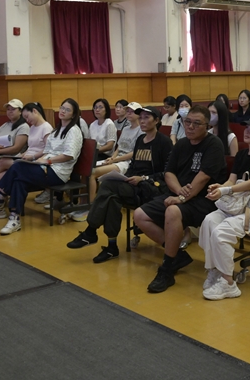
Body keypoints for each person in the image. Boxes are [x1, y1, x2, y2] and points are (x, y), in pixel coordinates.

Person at [133, 105, 229, 293]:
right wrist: (178, 192)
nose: (190, 126)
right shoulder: (182, 144)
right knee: (140, 215)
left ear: (207, 126)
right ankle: (177, 255)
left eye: (197, 123)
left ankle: (167, 268)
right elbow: (169, 173)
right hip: (180, 194)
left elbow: (203, 178)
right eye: (187, 122)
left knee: (172, 211)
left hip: (204, 199)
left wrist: (181, 198)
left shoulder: (214, 144)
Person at [67, 106, 173, 263]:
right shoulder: (140, 140)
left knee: (108, 186)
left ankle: (90, 231)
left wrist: (143, 178)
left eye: (146, 118)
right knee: (112, 198)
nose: (142, 121)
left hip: (152, 188)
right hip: (135, 186)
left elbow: (167, 172)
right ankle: (112, 247)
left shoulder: (164, 142)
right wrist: (126, 177)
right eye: (141, 118)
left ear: (157, 120)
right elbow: (133, 165)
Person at [199, 116, 250, 300]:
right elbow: (231, 181)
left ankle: (228, 283)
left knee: (221, 233)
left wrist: (225, 190)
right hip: (238, 204)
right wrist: (220, 187)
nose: (247, 131)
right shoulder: (242, 155)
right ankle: (215, 271)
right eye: (247, 127)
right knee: (209, 221)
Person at [0, 98, 84, 235]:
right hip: (46, 168)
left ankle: (0, 198)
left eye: (67, 110)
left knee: (17, 166)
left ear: (73, 115)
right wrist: (38, 160)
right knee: (19, 181)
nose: (63, 111)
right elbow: (47, 151)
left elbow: (69, 155)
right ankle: (14, 219)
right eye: (62, 107)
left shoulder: (73, 131)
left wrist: (48, 161)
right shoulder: (57, 130)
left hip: (58, 173)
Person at [0, 102, 51, 205]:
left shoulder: (46, 128)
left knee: (2, 161)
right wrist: (23, 154)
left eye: (27, 116)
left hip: (36, 161)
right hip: (26, 158)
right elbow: (31, 147)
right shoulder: (33, 127)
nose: (27, 120)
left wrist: (31, 156)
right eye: (25, 117)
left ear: (34, 111)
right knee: (1, 175)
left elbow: (48, 150)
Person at [79, 102, 144, 221]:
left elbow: (135, 153)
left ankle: (91, 208)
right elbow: (119, 147)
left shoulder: (141, 130)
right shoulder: (126, 128)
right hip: (117, 159)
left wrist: (115, 159)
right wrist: (112, 157)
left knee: (92, 173)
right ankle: (82, 203)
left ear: (139, 114)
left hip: (127, 163)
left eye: (132, 111)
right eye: (128, 111)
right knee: (86, 170)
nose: (129, 113)